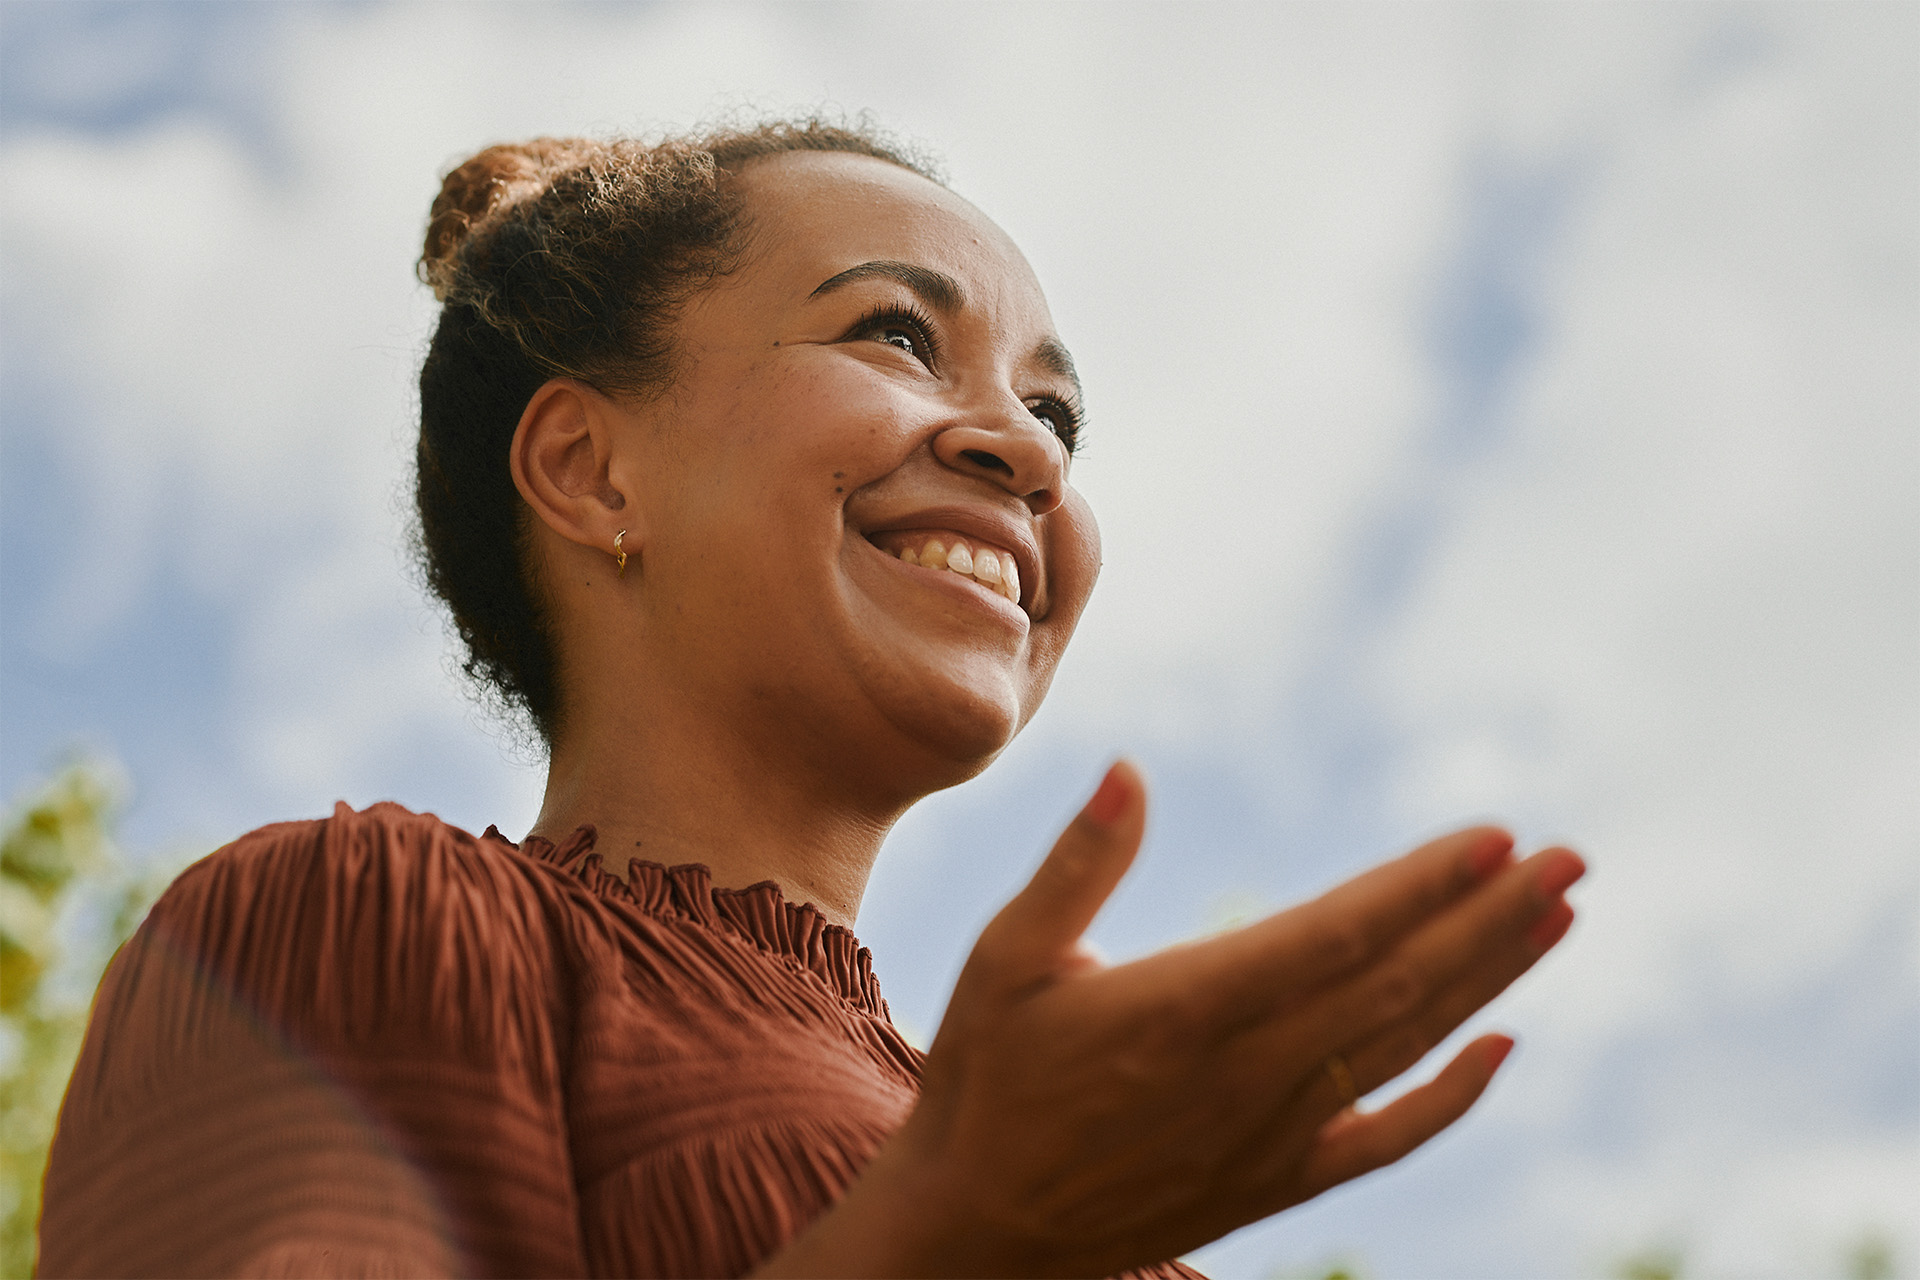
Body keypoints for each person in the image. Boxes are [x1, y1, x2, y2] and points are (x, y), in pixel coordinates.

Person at [37, 119, 1583, 1278]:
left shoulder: (1073, 1168)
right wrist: (948, 1238)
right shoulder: (354, 925)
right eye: (896, 336)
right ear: (590, 469)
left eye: (1055, 413)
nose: (1029, 453)